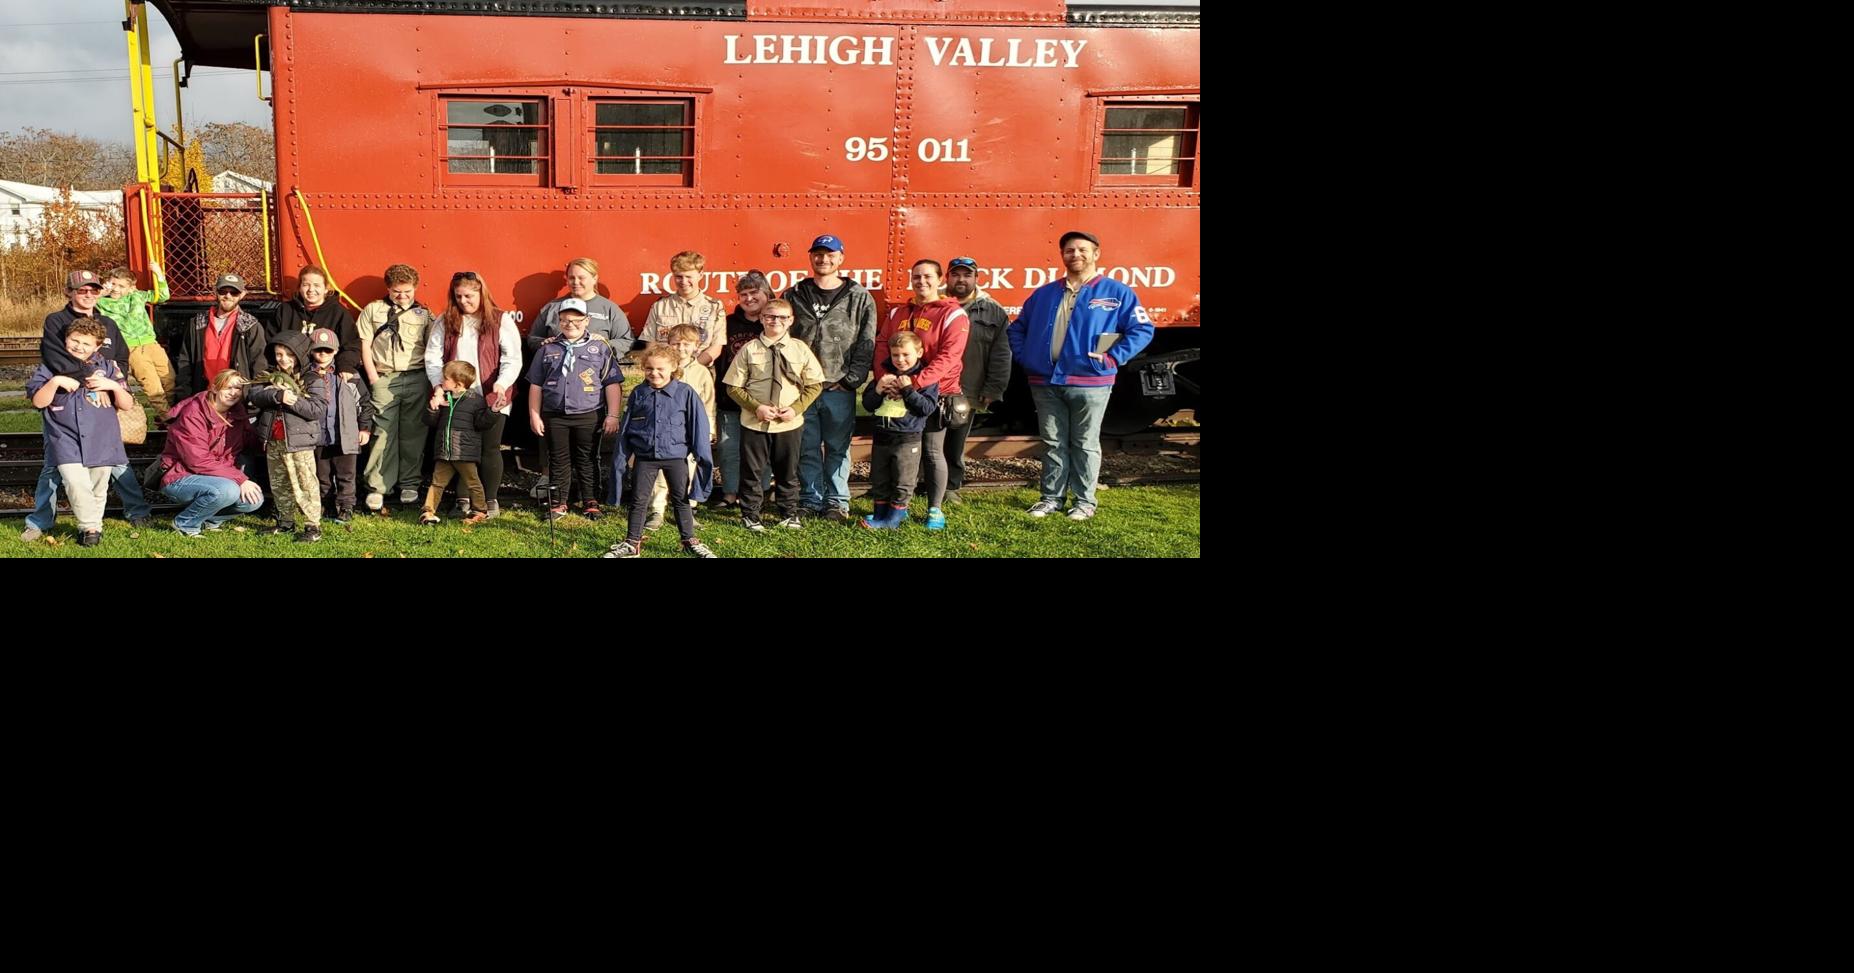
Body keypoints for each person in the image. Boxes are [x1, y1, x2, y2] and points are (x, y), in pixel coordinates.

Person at [1007, 230, 1154, 521]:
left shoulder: (1117, 292)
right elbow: (1017, 329)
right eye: (1070, 250)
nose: (1076, 255)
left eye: (1083, 250)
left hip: (1091, 382)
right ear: (1062, 255)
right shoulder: (1045, 293)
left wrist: (1113, 357)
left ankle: (1085, 502)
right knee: (1052, 442)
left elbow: (1142, 330)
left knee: (1085, 443)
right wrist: (1028, 358)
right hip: (1046, 381)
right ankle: (1051, 499)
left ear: (1096, 254)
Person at [19, 270, 153, 542]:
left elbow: (121, 360)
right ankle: (41, 521)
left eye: (93, 289)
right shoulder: (57, 322)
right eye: (82, 290)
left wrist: (112, 384)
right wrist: (91, 381)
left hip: (102, 404)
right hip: (67, 405)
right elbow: (56, 358)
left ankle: (134, 511)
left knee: (114, 462)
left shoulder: (107, 322)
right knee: (55, 465)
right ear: (69, 292)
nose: (89, 294)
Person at [782, 234, 875, 521]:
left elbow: (866, 340)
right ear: (811, 257)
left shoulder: (859, 297)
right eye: (818, 254)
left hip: (839, 387)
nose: (824, 259)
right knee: (807, 447)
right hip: (803, 387)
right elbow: (783, 338)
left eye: (830, 254)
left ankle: (837, 502)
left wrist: (851, 379)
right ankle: (810, 499)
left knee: (838, 447)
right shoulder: (794, 295)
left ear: (841, 258)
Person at [874, 259, 968, 530]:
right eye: (916, 276)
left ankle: (935, 509)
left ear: (940, 280)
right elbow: (882, 345)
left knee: (930, 450)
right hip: (896, 392)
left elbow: (949, 356)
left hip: (935, 393)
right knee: (900, 450)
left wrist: (914, 383)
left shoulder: (952, 314)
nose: (921, 281)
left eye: (928, 276)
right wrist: (885, 379)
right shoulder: (898, 313)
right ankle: (895, 505)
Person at [24, 320, 133, 547]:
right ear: (65, 340)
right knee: (75, 482)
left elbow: (127, 404)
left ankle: (94, 526)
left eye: (86, 343)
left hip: (102, 437)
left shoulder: (109, 367)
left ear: (97, 346)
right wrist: (55, 382)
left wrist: (111, 386)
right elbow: (38, 401)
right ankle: (90, 528)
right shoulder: (50, 366)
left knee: (98, 485)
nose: (79, 346)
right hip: (64, 437)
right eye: (74, 340)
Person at [603, 345, 717, 559]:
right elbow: (627, 429)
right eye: (649, 368)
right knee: (639, 500)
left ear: (673, 367)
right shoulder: (639, 393)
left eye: (660, 369)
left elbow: (697, 427)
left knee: (681, 499)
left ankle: (689, 540)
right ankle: (632, 543)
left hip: (676, 457)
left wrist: (702, 457)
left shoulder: (685, 393)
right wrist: (623, 458)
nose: (654, 373)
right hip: (645, 459)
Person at [721, 298, 823, 531]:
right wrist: (755, 407)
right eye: (770, 316)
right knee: (752, 472)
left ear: (790, 321)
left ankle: (789, 513)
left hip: (789, 424)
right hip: (755, 422)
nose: (775, 321)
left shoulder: (800, 349)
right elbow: (733, 387)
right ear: (762, 319)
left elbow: (814, 384)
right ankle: (751, 515)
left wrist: (796, 409)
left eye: (781, 317)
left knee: (788, 470)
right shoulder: (749, 349)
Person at [426, 270, 521, 518]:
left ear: (481, 292)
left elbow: (513, 358)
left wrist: (502, 383)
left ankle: (490, 501)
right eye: (458, 296)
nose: (464, 301)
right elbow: (433, 358)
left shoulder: (500, 320)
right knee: (459, 450)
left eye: (469, 296)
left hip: (490, 396)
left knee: (489, 448)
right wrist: (439, 385)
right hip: (455, 397)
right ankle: (463, 500)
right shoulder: (445, 320)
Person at [525, 298, 623, 521]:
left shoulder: (600, 348)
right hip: (555, 414)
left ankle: (590, 501)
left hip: (589, 413)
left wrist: (613, 414)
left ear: (587, 320)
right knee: (558, 459)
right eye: (564, 320)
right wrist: (534, 414)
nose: (570, 324)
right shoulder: (547, 348)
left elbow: (612, 383)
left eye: (576, 320)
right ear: (559, 322)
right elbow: (536, 385)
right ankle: (559, 503)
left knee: (587, 458)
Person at [357, 263, 436, 510]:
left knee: (414, 433)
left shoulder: (423, 314)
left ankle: (410, 483)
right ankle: (378, 486)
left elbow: (432, 348)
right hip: (384, 377)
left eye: (407, 292)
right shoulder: (373, 310)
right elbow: (365, 344)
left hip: (415, 377)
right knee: (382, 434)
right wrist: (372, 377)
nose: (402, 296)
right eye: (396, 292)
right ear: (388, 289)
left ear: (415, 288)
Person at [152, 369, 265, 537]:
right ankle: (185, 524)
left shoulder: (237, 412)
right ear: (214, 388)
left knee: (254, 499)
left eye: (238, 389)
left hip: (218, 476)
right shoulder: (193, 413)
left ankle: (209, 520)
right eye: (228, 388)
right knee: (228, 490)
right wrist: (240, 479)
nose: (233, 393)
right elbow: (197, 460)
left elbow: (250, 442)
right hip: (180, 476)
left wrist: (270, 442)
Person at [244, 330, 329, 542]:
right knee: (279, 482)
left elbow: (317, 409)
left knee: (305, 483)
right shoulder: (270, 375)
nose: (283, 359)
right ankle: (285, 521)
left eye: (289, 355)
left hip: (299, 442)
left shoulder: (312, 379)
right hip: (274, 439)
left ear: (300, 354)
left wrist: (294, 401)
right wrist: (276, 394)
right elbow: (255, 395)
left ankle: (312, 525)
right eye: (279, 354)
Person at [941, 256, 1012, 503]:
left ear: (976, 279)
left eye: (967, 275)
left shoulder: (993, 310)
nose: (961, 280)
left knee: (956, 440)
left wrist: (994, 387)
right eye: (956, 274)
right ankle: (920, 481)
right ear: (947, 277)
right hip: (934, 385)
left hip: (967, 385)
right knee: (926, 438)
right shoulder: (934, 303)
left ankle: (950, 486)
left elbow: (1001, 353)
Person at [859, 331, 939, 530]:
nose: (900, 360)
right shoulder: (883, 375)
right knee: (880, 478)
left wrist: (908, 390)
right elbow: (868, 405)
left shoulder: (924, 379)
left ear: (919, 353)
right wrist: (878, 390)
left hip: (907, 438)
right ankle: (880, 514)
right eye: (895, 355)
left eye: (906, 355)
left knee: (903, 480)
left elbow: (926, 409)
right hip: (881, 436)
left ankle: (894, 519)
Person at [712, 269, 774, 508]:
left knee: (762, 450)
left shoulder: (773, 322)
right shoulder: (728, 324)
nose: (749, 298)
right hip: (731, 398)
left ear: (766, 293)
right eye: (744, 294)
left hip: (763, 399)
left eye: (754, 292)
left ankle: (761, 492)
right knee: (730, 449)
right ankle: (729, 494)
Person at [303, 327, 373, 524]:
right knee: (321, 475)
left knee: (347, 475)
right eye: (318, 350)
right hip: (318, 435)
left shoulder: (350, 376)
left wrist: (364, 428)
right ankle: (326, 504)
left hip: (346, 434)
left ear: (335, 351)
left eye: (327, 350)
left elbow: (365, 403)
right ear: (311, 351)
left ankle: (346, 507)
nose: (323, 354)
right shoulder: (305, 377)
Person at [419, 360, 496, 527]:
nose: (441, 381)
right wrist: (433, 408)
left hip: (464, 452)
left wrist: (493, 412)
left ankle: (480, 510)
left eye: (445, 379)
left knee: (473, 482)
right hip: (444, 451)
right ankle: (428, 511)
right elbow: (430, 422)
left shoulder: (475, 400)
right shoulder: (444, 399)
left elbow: (481, 423)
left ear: (458, 384)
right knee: (437, 482)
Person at [97, 262, 175, 420]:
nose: (116, 289)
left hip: (151, 344)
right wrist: (100, 293)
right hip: (131, 348)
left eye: (121, 286)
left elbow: (163, 296)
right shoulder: (102, 303)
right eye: (113, 284)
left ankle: (174, 413)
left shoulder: (137, 296)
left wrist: (159, 274)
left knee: (170, 381)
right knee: (153, 388)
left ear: (131, 287)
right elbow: (86, 302)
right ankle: (170, 421)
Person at [173, 273, 266, 399]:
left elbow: (259, 365)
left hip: (236, 398)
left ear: (243, 294)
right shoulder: (197, 323)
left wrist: (254, 400)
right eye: (223, 291)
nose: (228, 296)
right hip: (203, 396)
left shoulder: (250, 326)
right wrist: (185, 396)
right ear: (215, 291)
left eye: (234, 292)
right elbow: (185, 362)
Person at [638, 250, 725, 363]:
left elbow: (716, 347)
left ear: (700, 275)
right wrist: (668, 367)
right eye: (679, 276)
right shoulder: (660, 306)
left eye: (689, 277)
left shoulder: (714, 307)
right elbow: (650, 343)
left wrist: (692, 368)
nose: (684, 281)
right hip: (667, 371)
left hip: (700, 369)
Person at [274, 264, 363, 375]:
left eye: (317, 285)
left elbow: (351, 345)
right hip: (291, 371)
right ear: (299, 288)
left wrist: (345, 366)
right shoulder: (285, 310)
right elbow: (271, 341)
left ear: (326, 289)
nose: (311, 289)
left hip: (327, 371)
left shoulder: (339, 313)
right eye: (306, 285)